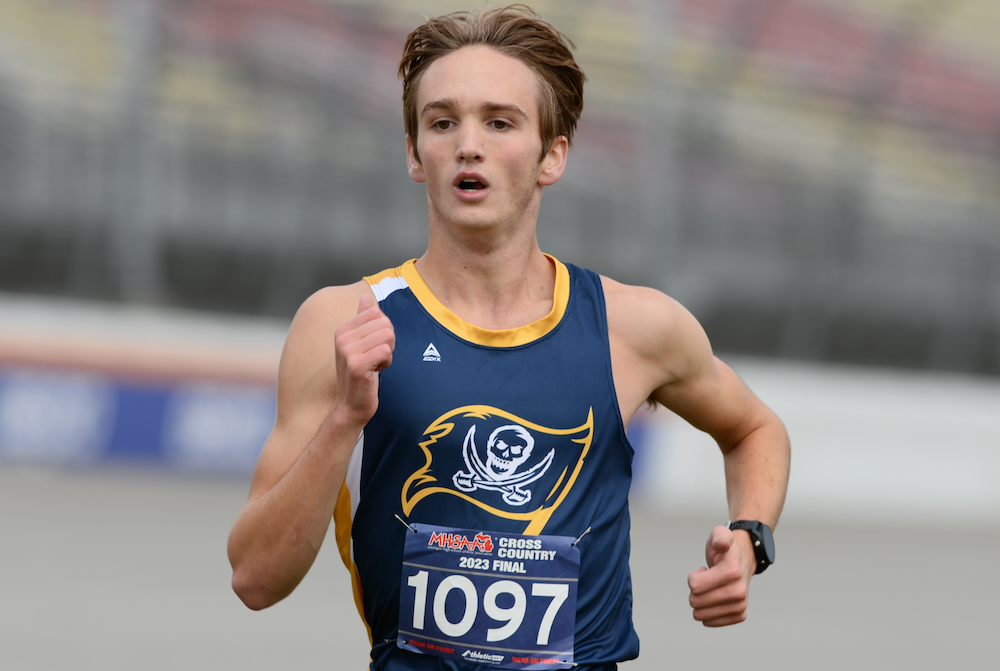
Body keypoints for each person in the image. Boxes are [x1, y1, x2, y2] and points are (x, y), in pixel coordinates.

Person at [228, 5, 790, 670]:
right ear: (415, 153)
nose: (469, 144)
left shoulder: (633, 326)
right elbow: (255, 578)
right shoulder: (343, 322)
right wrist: (347, 418)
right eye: (442, 122)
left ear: (552, 155)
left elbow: (755, 429)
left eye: (499, 122)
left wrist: (750, 538)